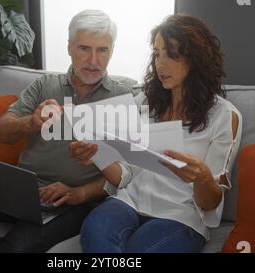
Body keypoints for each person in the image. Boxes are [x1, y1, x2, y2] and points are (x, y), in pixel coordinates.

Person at [0, 9, 133, 253]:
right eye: (84, 48)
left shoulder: (123, 96)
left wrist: (79, 193)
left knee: (14, 248)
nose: (93, 60)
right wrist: (30, 122)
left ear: (111, 51)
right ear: (70, 47)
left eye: (102, 50)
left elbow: (129, 171)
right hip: (21, 189)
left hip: (71, 202)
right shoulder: (45, 85)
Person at [69, 14, 242, 253]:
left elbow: (211, 202)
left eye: (172, 55)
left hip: (179, 216)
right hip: (128, 203)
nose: (161, 64)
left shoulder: (224, 116)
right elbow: (123, 176)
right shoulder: (143, 102)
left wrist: (202, 177)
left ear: (196, 60)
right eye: (157, 53)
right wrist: (98, 155)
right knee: (94, 229)